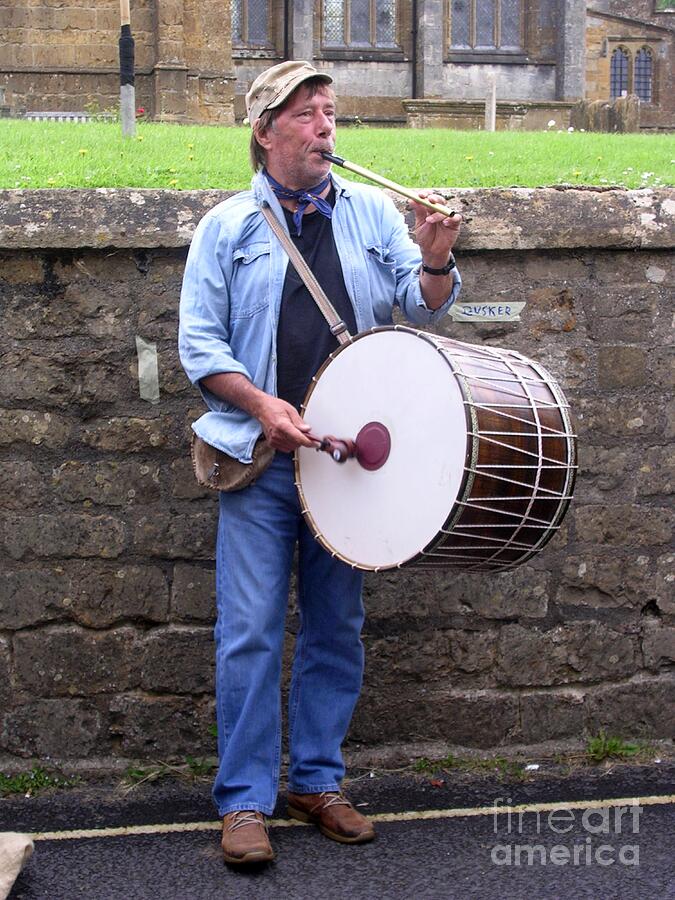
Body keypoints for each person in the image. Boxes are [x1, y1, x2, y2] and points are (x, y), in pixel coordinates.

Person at [178, 59, 462, 865]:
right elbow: (198, 345)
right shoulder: (226, 227)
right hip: (265, 459)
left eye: (329, 113)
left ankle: (316, 781)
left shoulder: (372, 213)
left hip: (348, 466)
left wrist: (435, 259)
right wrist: (264, 407)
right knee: (250, 633)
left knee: (337, 628)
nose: (323, 127)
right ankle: (242, 802)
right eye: (304, 115)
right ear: (264, 132)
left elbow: (421, 307)